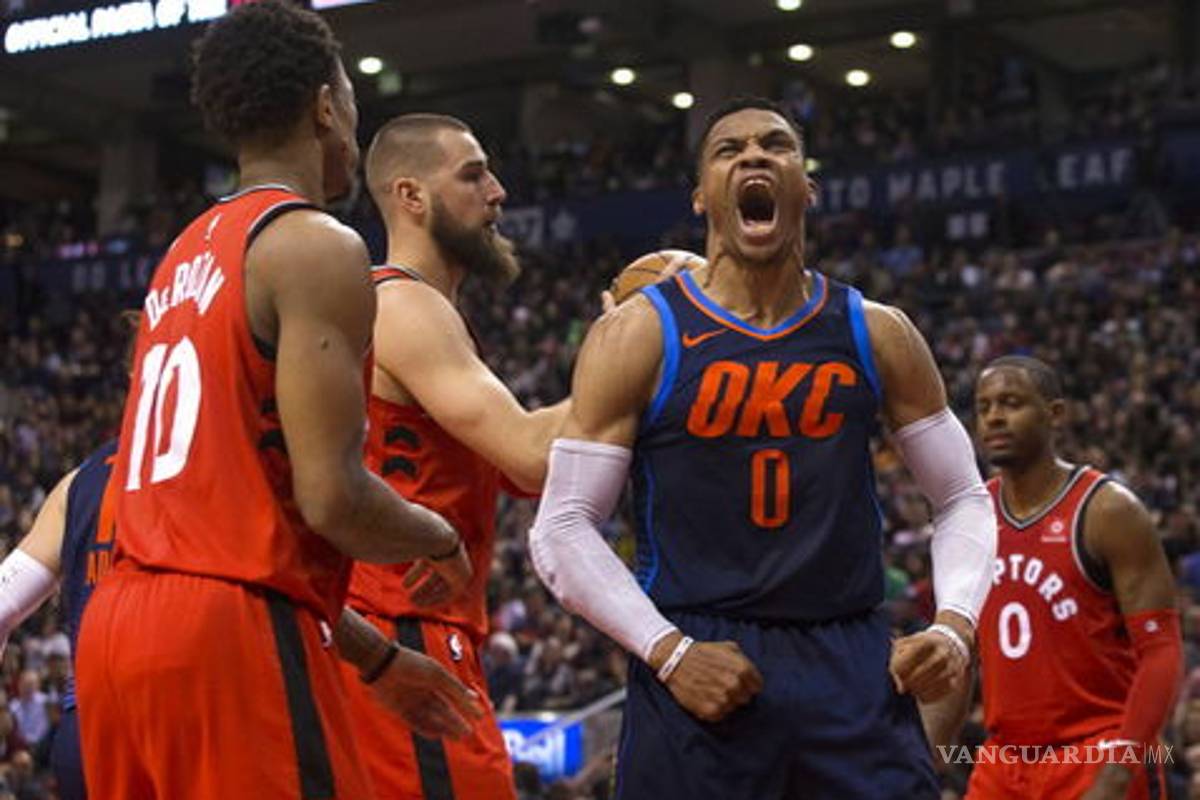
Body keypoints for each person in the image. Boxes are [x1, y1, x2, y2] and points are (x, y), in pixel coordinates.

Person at [528, 96, 997, 799]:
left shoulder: (878, 331)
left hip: (849, 652)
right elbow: (561, 525)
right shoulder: (640, 334)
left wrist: (957, 623)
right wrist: (669, 652)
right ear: (699, 197)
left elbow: (961, 495)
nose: (753, 155)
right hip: (698, 658)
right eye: (728, 149)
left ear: (806, 185)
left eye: (775, 145)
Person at [74, 4, 478, 798]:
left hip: (116, 628)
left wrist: (377, 654)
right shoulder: (315, 244)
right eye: (354, 103)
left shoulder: (181, 254)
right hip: (227, 634)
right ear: (326, 106)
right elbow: (330, 498)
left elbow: (226, 517)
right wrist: (438, 536)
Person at [340, 112, 569, 799]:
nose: (497, 191)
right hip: (403, 630)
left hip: (379, 634)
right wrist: (648, 338)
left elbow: (528, 467)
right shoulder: (407, 305)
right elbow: (531, 453)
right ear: (411, 196)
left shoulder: (403, 308)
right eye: (472, 174)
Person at [929, 356, 1182, 800]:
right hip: (1003, 761)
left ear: (1055, 413)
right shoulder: (971, 519)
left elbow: (1160, 651)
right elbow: (958, 654)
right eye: (984, 406)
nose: (994, 417)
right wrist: (929, 757)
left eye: (1011, 402)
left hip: (1095, 750)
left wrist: (1120, 770)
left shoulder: (1108, 510)